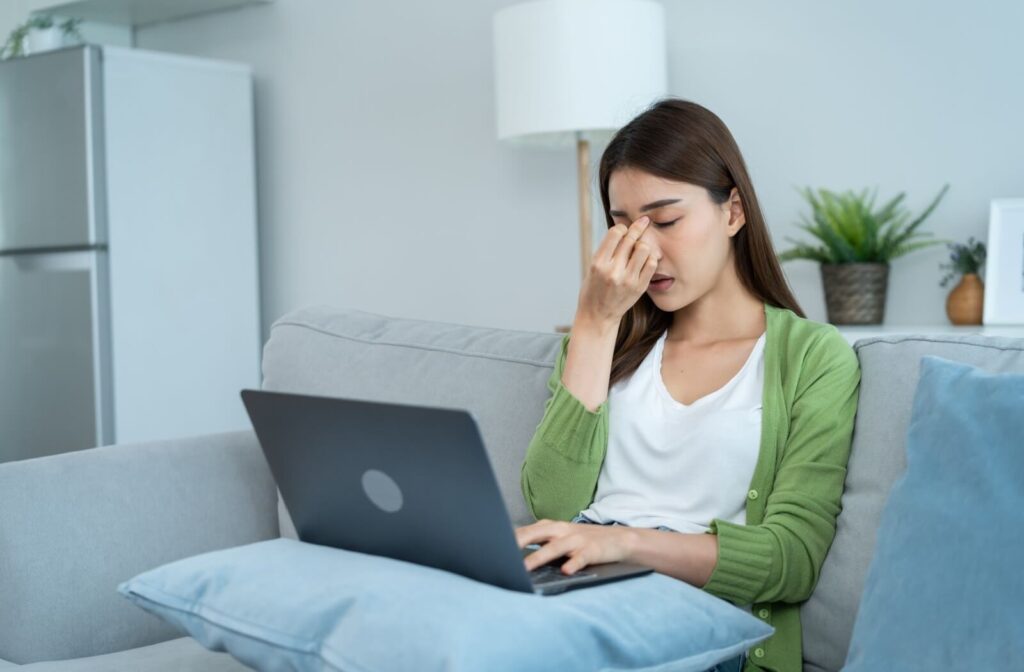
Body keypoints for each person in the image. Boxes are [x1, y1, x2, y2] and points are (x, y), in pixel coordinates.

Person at [515, 98, 861, 672]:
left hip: (692, 617)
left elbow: (791, 559)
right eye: (623, 228)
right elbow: (552, 502)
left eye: (667, 221)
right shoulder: (608, 343)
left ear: (733, 212)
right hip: (575, 590)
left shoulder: (812, 357)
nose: (645, 251)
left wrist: (622, 542)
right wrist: (594, 325)